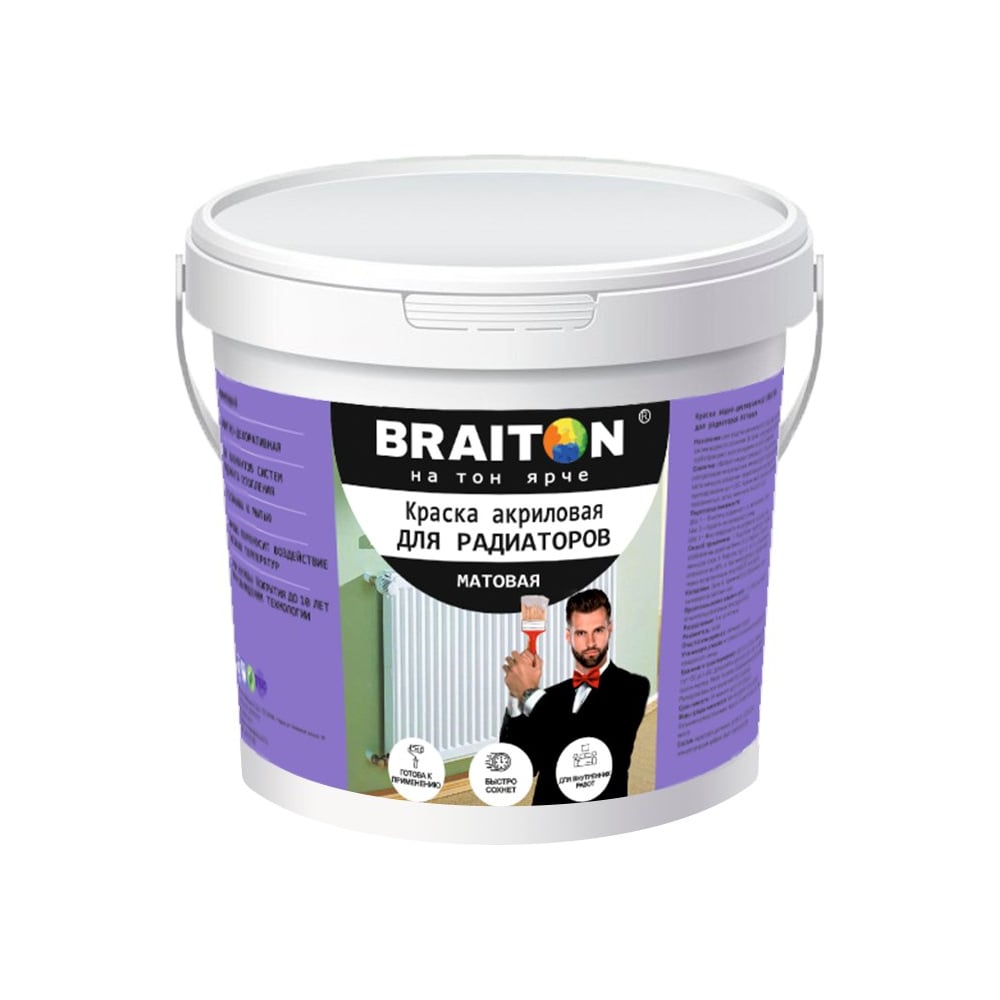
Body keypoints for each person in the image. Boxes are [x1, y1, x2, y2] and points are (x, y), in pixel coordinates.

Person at [499, 588, 650, 805]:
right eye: (581, 633)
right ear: (568, 636)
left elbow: (576, 744)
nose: (591, 642)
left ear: (610, 629)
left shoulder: (633, 688)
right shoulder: (551, 697)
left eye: (598, 630)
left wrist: (528, 692)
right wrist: (516, 697)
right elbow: (521, 766)